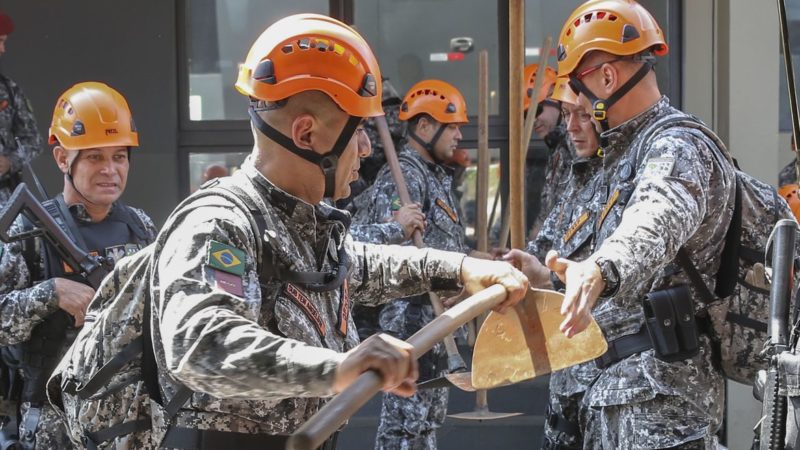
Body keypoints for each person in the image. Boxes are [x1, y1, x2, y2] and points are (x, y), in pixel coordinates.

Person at [146, 14, 527, 450]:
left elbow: (363, 264)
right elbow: (202, 344)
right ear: (306, 133)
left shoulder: (305, 224)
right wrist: (338, 368)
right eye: (358, 131)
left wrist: (461, 269)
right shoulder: (219, 222)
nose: (366, 151)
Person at [509, 0, 733, 447]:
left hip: (653, 412)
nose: (573, 110)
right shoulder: (613, 156)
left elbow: (655, 219)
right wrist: (545, 280)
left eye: (578, 86)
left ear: (606, 79)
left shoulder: (676, 144)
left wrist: (600, 269)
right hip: (597, 400)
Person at [0, 81, 157, 449]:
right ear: (62, 159)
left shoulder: (141, 226)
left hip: (133, 421)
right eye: (94, 157)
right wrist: (51, 293)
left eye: (119, 156)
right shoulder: (31, 231)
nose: (110, 170)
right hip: (58, 425)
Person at [352, 79, 477, 450]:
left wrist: (477, 263)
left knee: (425, 427)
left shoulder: (434, 177)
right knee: (405, 428)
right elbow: (364, 243)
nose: (457, 135)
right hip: (410, 323)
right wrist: (397, 226)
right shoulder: (403, 176)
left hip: (437, 325)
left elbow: (443, 245)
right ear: (424, 127)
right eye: (451, 126)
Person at [524, 64, 573, 239]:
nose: (534, 121)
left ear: (555, 96)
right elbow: (549, 208)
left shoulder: (577, 141)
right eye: (526, 115)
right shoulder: (556, 148)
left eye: (537, 110)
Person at [0, 11, 44, 206]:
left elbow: (34, 141)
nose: (2, 49)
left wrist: (9, 162)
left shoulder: (9, 90)